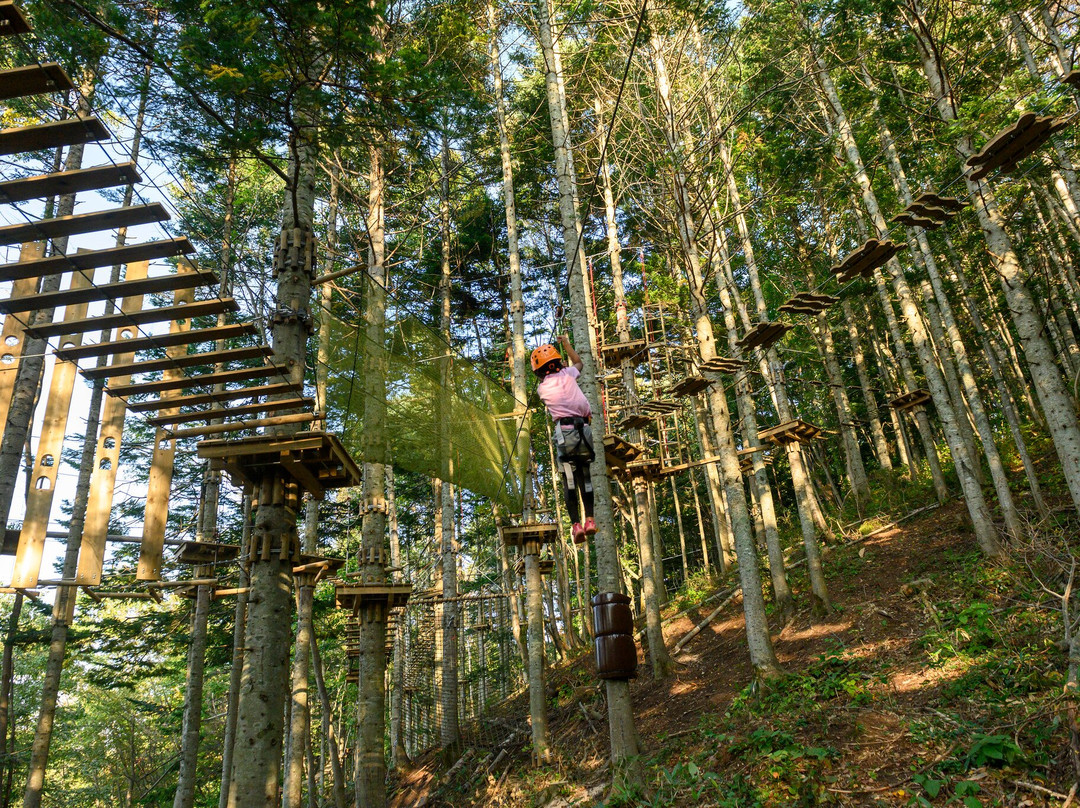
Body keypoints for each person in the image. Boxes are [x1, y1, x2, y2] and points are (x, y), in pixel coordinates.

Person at [532, 335, 596, 543]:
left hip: (565, 434)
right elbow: (579, 362)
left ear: (539, 372)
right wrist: (567, 344)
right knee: (585, 476)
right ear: (559, 363)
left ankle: (576, 524)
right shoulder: (569, 374)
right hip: (585, 431)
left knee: (569, 479)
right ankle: (590, 520)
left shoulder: (542, 389)